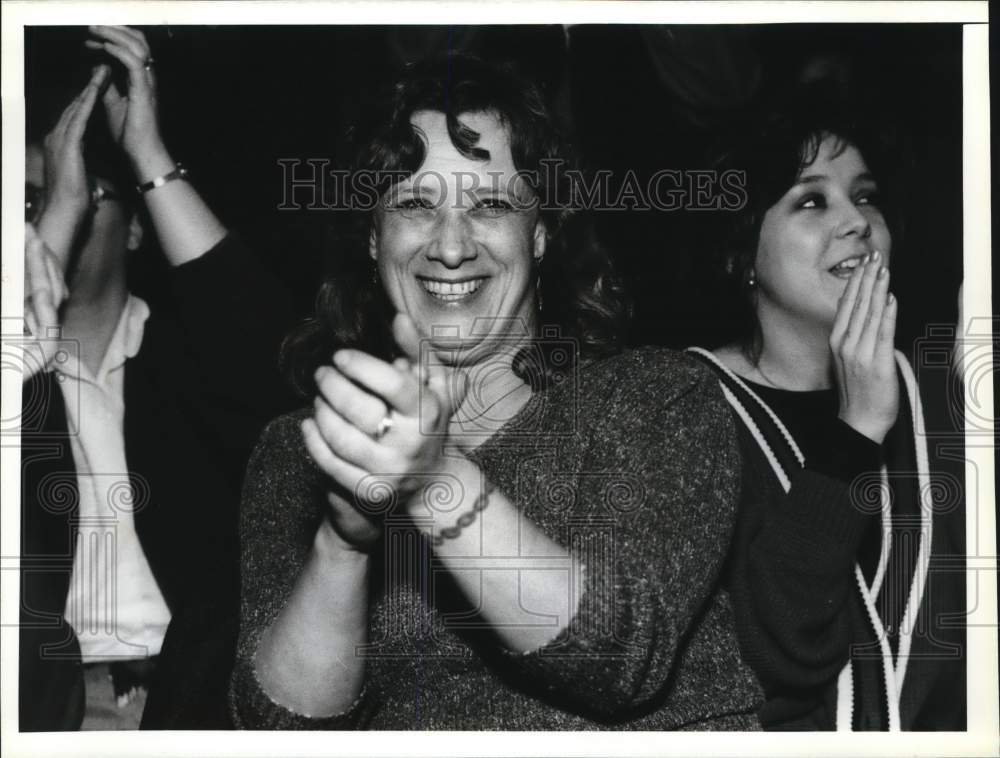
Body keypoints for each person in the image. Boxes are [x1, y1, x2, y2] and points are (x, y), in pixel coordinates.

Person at [229, 53, 763, 730]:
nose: (451, 246)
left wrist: (432, 479)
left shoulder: (653, 398)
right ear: (373, 237)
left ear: (539, 235)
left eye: (490, 205)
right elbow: (280, 728)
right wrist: (344, 542)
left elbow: (621, 657)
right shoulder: (303, 450)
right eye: (416, 204)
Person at [20, 26, 302, 729]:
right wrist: (53, 213)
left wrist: (147, 153)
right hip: (39, 709)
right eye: (30, 203)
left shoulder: (189, 357)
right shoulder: (17, 376)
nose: (60, 206)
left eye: (83, 190)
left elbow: (280, 374)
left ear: (140, 228)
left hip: (193, 698)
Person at [688, 85, 966, 730]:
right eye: (812, 200)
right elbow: (771, 657)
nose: (856, 220)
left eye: (865, 196)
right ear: (740, 252)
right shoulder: (686, 410)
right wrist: (857, 431)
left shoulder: (947, 398)